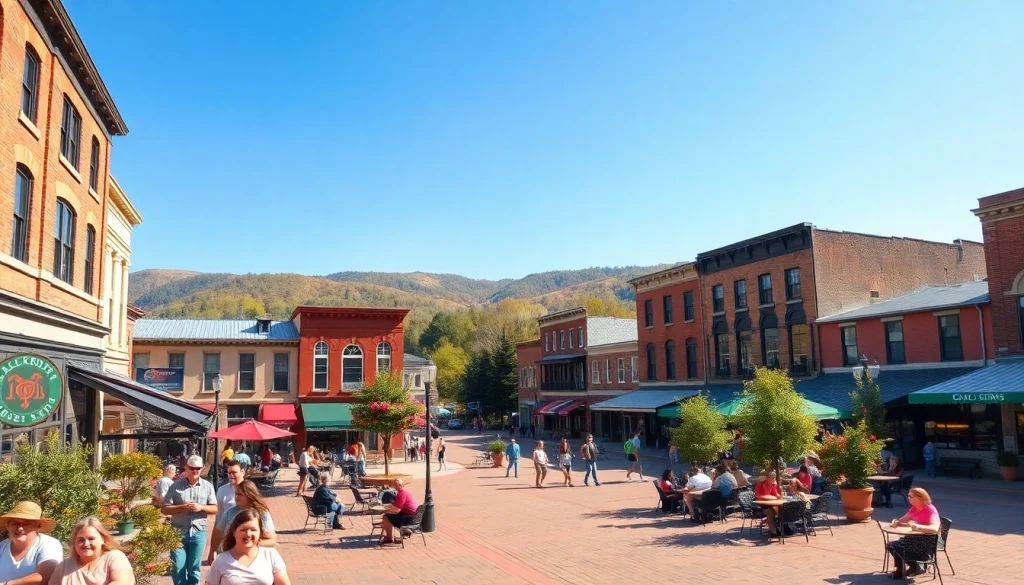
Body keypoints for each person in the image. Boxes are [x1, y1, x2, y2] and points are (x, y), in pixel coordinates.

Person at [162, 455, 218, 585]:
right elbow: (164, 509)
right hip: (178, 533)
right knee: (178, 568)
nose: (195, 471)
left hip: (198, 533)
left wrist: (200, 507)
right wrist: (182, 507)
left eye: (198, 468)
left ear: (202, 469)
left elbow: (215, 508)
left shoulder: (208, 486)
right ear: (186, 468)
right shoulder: (175, 486)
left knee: (194, 570)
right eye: (192, 468)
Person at [206, 510, 291, 585]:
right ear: (234, 533)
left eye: (253, 530)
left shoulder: (270, 555)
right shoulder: (221, 560)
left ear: (260, 532)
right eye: (243, 530)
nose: (248, 534)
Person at [48, 516, 132, 585]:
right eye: (81, 540)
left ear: (103, 539)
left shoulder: (114, 557)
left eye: (91, 539)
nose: (86, 544)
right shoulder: (64, 566)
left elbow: (121, 582)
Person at [0, 501, 62, 585]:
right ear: (8, 526)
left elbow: (45, 576)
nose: (20, 528)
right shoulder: (2, 547)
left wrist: (7, 584)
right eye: (15, 523)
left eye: (26, 523)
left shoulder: (49, 544)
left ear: (38, 527)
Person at [887, 488, 941, 579]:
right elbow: (902, 519)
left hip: (927, 543)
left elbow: (935, 528)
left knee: (896, 546)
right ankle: (908, 568)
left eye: (910, 496)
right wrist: (897, 522)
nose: (908, 498)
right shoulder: (914, 508)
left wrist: (918, 527)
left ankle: (905, 569)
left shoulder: (930, 510)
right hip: (915, 539)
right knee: (891, 545)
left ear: (920, 498)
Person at [217, 481, 278, 546]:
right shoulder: (229, 513)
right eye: (236, 494)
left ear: (249, 495)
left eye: (240, 494)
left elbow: (272, 540)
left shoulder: (262, 513)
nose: (236, 497)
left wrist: (251, 544)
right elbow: (218, 533)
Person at [208, 460, 245, 563]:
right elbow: (218, 519)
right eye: (229, 473)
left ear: (242, 472)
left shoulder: (249, 489)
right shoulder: (222, 490)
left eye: (234, 472)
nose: (231, 475)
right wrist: (212, 549)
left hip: (244, 537)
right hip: (226, 539)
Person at [379, 479, 418, 545]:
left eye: (394, 485)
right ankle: (391, 536)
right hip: (412, 515)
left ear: (398, 485)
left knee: (386, 517)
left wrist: (388, 508)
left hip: (408, 518)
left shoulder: (401, 494)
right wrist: (390, 507)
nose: (392, 486)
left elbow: (397, 510)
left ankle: (389, 538)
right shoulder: (406, 492)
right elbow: (398, 506)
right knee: (388, 515)